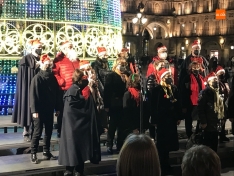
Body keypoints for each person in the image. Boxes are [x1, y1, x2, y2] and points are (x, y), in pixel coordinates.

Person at [59, 69, 101, 176]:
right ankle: (75, 170)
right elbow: (80, 107)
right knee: (75, 148)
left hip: (73, 127)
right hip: (74, 127)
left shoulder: (73, 91)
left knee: (74, 148)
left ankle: (73, 169)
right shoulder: (74, 92)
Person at [150, 68, 182, 176]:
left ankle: (166, 164)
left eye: (170, 75)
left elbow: (178, 103)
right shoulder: (157, 90)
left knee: (169, 145)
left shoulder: (174, 88)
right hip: (162, 121)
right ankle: (162, 165)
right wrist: (154, 120)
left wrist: (178, 117)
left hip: (171, 120)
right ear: (162, 78)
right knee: (162, 145)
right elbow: (154, 106)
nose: (169, 78)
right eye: (167, 76)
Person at [30, 54, 60, 164]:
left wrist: (57, 108)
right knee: (37, 132)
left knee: (48, 131)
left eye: (49, 65)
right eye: (46, 65)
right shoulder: (37, 78)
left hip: (49, 109)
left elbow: (56, 94)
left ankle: (46, 151)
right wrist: (34, 110)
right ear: (42, 65)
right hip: (39, 110)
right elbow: (33, 95)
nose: (48, 66)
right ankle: (33, 153)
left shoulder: (52, 78)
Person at [12, 39, 43, 142]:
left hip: (38, 89)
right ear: (33, 48)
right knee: (27, 109)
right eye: (38, 47)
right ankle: (26, 132)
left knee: (37, 110)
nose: (40, 49)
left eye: (41, 47)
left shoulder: (41, 58)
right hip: (28, 89)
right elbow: (24, 75)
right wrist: (36, 66)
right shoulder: (26, 59)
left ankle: (36, 133)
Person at [53, 41, 80, 138]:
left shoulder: (75, 59)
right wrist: (61, 81)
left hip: (76, 88)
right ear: (64, 49)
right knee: (63, 111)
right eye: (69, 47)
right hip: (64, 89)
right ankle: (61, 130)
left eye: (72, 46)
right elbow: (54, 73)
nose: (71, 48)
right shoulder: (58, 60)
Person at [104, 58, 128, 154]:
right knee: (113, 125)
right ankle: (109, 144)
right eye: (120, 64)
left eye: (124, 64)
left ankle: (120, 145)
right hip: (114, 103)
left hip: (122, 103)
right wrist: (107, 105)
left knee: (121, 126)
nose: (122, 66)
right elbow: (107, 90)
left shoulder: (125, 76)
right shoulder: (111, 75)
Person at [198, 72, 225, 152]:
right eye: (214, 80)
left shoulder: (218, 91)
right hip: (208, 123)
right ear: (209, 82)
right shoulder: (205, 93)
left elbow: (222, 107)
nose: (216, 81)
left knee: (214, 144)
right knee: (207, 145)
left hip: (216, 122)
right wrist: (203, 122)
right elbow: (201, 108)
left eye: (216, 80)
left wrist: (223, 117)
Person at [180, 57, 206, 138]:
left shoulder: (201, 78)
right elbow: (183, 91)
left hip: (199, 101)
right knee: (189, 119)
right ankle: (189, 134)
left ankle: (198, 132)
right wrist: (184, 105)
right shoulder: (187, 78)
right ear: (190, 68)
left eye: (197, 67)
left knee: (199, 118)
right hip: (190, 102)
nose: (196, 68)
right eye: (194, 67)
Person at [120, 73, 141, 146]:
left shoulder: (140, 93)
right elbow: (126, 111)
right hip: (131, 123)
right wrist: (132, 127)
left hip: (139, 121)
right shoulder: (128, 94)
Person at [215, 66, 230, 142]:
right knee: (218, 120)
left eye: (223, 73)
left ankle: (222, 135)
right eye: (221, 73)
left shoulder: (225, 82)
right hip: (218, 103)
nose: (222, 75)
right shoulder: (216, 82)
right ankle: (218, 135)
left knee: (223, 120)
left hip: (223, 102)